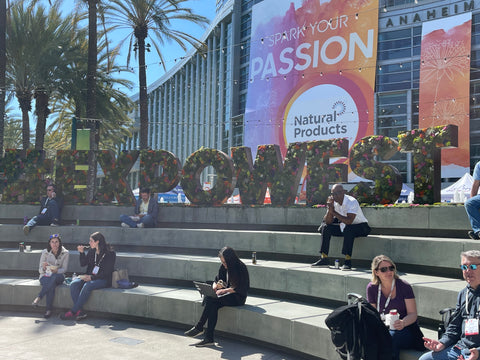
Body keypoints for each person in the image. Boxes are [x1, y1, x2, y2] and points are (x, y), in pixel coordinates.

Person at [419, 250, 480, 360]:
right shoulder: (463, 294)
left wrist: (478, 353)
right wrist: (441, 343)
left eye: (473, 267)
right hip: (461, 349)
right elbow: (455, 326)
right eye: (464, 267)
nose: (468, 271)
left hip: (477, 353)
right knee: (425, 359)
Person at [184, 246, 249, 347]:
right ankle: (208, 338)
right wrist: (215, 287)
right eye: (222, 262)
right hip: (226, 295)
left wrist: (224, 290)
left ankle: (199, 327)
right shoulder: (223, 267)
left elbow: (241, 288)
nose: (224, 264)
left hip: (237, 297)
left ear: (230, 260)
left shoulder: (241, 267)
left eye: (225, 262)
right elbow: (217, 280)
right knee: (212, 302)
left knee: (211, 299)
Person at [366, 255, 424, 360]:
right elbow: (372, 314)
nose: (389, 271)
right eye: (383, 269)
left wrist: (403, 323)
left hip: (407, 328)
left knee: (390, 337)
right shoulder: (372, 288)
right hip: (384, 327)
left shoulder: (404, 286)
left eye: (391, 268)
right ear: (376, 272)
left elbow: (413, 314)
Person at [311, 184, 371, 270]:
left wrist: (334, 212)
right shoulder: (333, 202)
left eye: (337, 193)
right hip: (344, 226)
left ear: (343, 192)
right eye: (333, 194)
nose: (335, 196)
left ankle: (347, 261)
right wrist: (330, 209)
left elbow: (349, 221)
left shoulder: (351, 201)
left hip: (361, 227)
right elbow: (328, 222)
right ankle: (324, 258)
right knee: (325, 227)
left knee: (349, 228)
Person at [61, 232, 115, 321]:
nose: (89, 243)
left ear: (97, 242)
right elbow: (83, 264)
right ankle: (80, 312)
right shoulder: (92, 251)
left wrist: (92, 278)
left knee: (88, 285)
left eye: (91, 241)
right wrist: (81, 253)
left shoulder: (110, 253)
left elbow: (107, 272)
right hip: (90, 276)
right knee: (74, 284)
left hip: (103, 279)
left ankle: (73, 311)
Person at [32, 234, 69, 318]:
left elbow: (64, 269)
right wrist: (44, 268)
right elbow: (40, 270)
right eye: (52, 242)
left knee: (54, 276)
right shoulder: (45, 252)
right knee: (51, 283)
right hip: (45, 276)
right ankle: (48, 310)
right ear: (49, 243)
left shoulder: (65, 253)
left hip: (59, 276)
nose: (54, 244)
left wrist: (56, 270)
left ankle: (38, 297)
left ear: (60, 243)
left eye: (56, 242)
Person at [465, 161, 480, 240]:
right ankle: (478, 231)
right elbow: (475, 185)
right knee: (469, 203)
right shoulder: (479, 165)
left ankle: (476, 234)